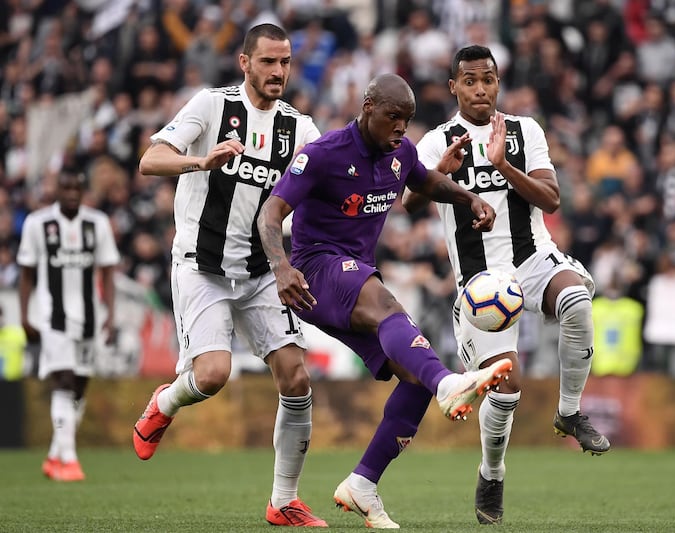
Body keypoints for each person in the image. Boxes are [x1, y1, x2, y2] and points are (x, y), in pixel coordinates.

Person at [257, 72, 513, 529]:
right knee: (393, 310)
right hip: (315, 270)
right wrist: (281, 267)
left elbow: (428, 184)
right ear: (368, 106)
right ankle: (448, 384)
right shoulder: (323, 154)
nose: (401, 127)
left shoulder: (401, 153)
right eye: (393, 117)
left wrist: (469, 198)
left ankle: (363, 484)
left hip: (351, 280)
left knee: (412, 375)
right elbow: (271, 213)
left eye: (408, 119)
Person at [403, 45, 611, 525]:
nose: (481, 89)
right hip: (480, 281)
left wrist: (503, 166)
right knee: (506, 386)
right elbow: (409, 206)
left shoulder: (523, 130)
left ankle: (570, 412)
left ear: (498, 83)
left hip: (532, 258)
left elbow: (552, 199)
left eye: (489, 80)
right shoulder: (437, 140)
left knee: (578, 299)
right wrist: (439, 176)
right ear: (453, 86)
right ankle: (491, 473)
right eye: (470, 81)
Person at [132, 23, 327, 527]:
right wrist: (201, 161)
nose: (278, 71)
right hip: (202, 266)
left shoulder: (299, 129)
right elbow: (150, 160)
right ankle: (164, 403)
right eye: (267, 62)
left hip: (263, 270)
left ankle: (284, 501)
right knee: (213, 375)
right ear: (245, 62)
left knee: (298, 377)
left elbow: (327, 183)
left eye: (284, 62)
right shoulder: (210, 106)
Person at [17, 170, 120, 481]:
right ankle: (70, 460)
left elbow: (108, 272)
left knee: (78, 387)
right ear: (56, 191)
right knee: (62, 380)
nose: (73, 193)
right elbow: (26, 274)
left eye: (77, 187)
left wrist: (110, 314)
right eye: (67, 188)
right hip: (54, 317)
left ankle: (54, 455)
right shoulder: (38, 224)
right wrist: (24, 315)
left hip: (89, 318)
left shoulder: (97, 223)